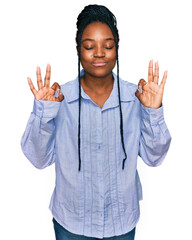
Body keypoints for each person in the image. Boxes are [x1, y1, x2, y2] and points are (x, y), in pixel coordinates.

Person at [21, 4, 171, 240]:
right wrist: (43, 112)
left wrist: (153, 111)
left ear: (117, 47)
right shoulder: (59, 98)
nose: (99, 53)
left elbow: (154, 158)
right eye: (89, 46)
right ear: (79, 49)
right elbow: (39, 160)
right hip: (71, 225)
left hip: (121, 225)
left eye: (108, 46)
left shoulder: (136, 98)